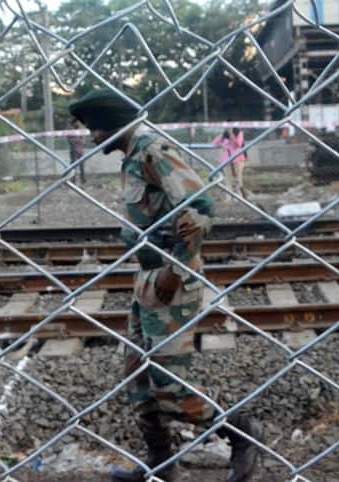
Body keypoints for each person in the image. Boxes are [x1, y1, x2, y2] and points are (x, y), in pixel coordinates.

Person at [69, 90, 262, 482]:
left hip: (171, 281)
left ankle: (241, 432)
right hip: (147, 279)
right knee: (138, 379)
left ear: (114, 124)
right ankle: (160, 468)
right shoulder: (132, 157)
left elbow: (200, 209)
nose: (91, 137)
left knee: (171, 385)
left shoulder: (153, 151)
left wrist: (174, 271)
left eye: (95, 128)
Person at [212, 127, 247, 199]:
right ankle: (228, 198)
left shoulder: (239, 133)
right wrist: (222, 141)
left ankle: (239, 197)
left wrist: (231, 134)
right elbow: (214, 143)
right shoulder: (224, 135)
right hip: (227, 161)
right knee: (228, 180)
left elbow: (237, 144)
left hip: (238, 159)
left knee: (238, 179)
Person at [66, 117, 87, 184]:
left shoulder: (81, 130)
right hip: (73, 150)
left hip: (80, 150)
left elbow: (83, 141)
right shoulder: (70, 130)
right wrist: (77, 140)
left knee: (82, 167)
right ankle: (73, 180)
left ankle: (83, 180)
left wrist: (77, 140)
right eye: (77, 122)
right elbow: (70, 140)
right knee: (73, 167)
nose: (78, 123)